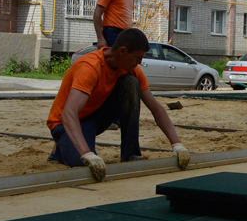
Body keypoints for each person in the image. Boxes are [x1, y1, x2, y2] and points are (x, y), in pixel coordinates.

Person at [48, 28, 191, 180]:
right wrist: (86, 153)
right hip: (64, 124)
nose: (140, 62)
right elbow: (68, 113)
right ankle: (60, 149)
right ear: (123, 51)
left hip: (95, 116)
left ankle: (130, 155)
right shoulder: (90, 67)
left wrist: (177, 144)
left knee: (130, 83)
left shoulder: (131, 69)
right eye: (137, 57)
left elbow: (155, 108)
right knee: (82, 164)